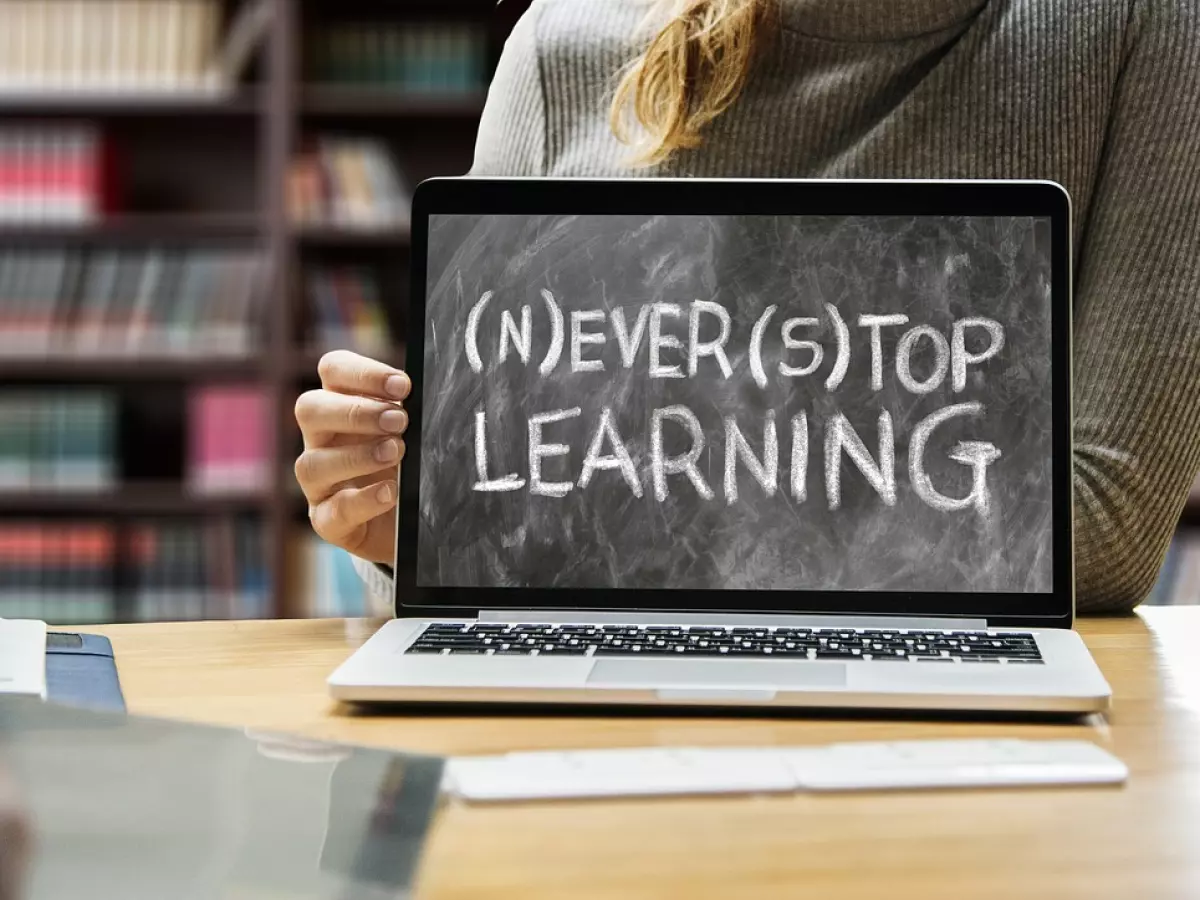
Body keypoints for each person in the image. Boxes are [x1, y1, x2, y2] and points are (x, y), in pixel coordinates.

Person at [294, 0, 1200, 614]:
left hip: (946, 737)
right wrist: (404, 532)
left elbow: (1106, 522)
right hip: (584, 738)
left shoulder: (1136, 25)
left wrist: (618, 517)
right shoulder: (559, 46)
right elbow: (489, 528)